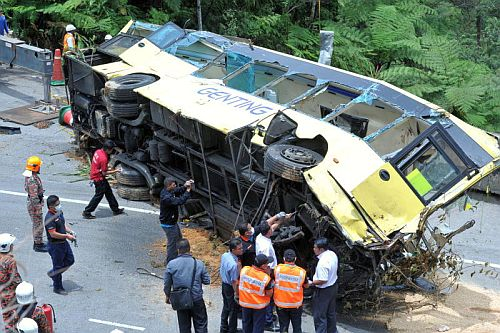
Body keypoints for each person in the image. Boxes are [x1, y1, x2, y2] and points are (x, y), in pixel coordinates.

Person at [164, 239, 210, 333]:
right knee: (201, 326)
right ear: (189, 249)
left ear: (178, 250)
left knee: (184, 328)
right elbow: (207, 281)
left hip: (181, 300)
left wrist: (168, 296)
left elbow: (167, 284)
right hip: (197, 299)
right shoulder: (199, 264)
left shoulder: (171, 264)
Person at [82, 140, 124, 219]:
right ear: (108, 149)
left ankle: (115, 209)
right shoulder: (104, 159)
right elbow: (105, 173)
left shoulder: (98, 152)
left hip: (97, 175)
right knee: (98, 196)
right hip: (98, 178)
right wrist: (116, 170)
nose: (112, 151)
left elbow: (100, 166)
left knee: (109, 193)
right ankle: (87, 211)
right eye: (111, 150)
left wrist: (106, 168)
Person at [45, 195, 76, 295]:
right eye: (57, 204)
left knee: (70, 260)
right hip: (55, 246)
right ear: (51, 207)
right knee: (58, 267)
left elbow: (63, 224)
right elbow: (53, 234)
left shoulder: (59, 212)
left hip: (64, 243)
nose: (59, 205)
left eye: (59, 203)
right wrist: (67, 236)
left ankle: (53, 273)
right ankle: (57, 287)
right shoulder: (49, 218)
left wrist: (70, 231)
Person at [274, 249, 309, 333]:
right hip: (295, 305)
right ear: (295, 259)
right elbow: (306, 285)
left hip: (281, 304)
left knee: (283, 327)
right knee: (297, 327)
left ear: (284, 259)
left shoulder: (277, 269)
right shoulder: (301, 272)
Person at [160, 178, 193, 264]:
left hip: (172, 222)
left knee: (179, 239)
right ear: (169, 185)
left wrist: (185, 186)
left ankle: (179, 257)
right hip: (169, 224)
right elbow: (180, 201)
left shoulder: (169, 191)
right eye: (173, 185)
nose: (175, 186)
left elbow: (177, 190)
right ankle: (170, 262)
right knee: (172, 244)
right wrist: (188, 191)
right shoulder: (166, 198)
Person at [238, 254, 274, 333]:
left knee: (246, 325)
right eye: (267, 264)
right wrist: (268, 274)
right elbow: (269, 294)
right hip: (258, 307)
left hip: (245, 304)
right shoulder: (266, 278)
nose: (268, 265)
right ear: (263, 266)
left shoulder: (244, 270)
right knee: (258, 327)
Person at [310, 238, 338, 333]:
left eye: (315, 247)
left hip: (323, 291)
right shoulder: (332, 254)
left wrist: (311, 283)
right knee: (330, 313)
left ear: (321, 249)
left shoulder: (322, 263)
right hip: (333, 287)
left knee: (320, 316)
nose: (313, 249)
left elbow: (322, 280)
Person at [23, 156, 48, 253]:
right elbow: (34, 197)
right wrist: (38, 208)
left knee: (37, 224)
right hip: (34, 205)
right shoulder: (32, 179)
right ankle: (38, 244)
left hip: (34, 204)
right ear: (35, 167)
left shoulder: (31, 176)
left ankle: (39, 241)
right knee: (38, 225)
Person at [219, 238, 243, 333]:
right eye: (239, 249)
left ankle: (223, 327)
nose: (242, 250)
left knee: (226, 306)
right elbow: (234, 281)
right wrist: (237, 294)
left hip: (224, 284)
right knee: (233, 310)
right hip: (230, 287)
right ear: (233, 250)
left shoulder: (225, 255)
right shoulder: (234, 265)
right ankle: (232, 330)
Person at [0, 233, 22, 332]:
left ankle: (8, 330)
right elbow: (15, 278)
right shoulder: (10, 261)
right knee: (16, 313)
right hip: (10, 292)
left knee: (5, 312)